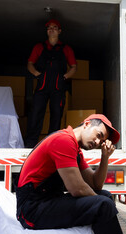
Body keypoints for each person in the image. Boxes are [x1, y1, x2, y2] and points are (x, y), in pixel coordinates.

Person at [16, 114, 125, 234]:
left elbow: (95, 184)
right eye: (98, 135)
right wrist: (102, 204)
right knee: (104, 204)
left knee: (105, 196)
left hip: (47, 200)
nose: (97, 142)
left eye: (101, 142)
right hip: (32, 210)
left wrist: (105, 157)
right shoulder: (63, 140)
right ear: (87, 124)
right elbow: (77, 189)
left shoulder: (75, 148)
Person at [25, 19, 77, 148]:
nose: (51, 29)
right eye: (49, 27)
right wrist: (37, 74)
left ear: (59, 31)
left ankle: (50, 145)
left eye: (54, 27)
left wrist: (64, 77)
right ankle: (30, 144)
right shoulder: (39, 47)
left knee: (56, 116)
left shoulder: (66, 49)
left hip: (58, 87)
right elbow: (30, 64)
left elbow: (74, 67)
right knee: (36, 114)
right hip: (42, 86)